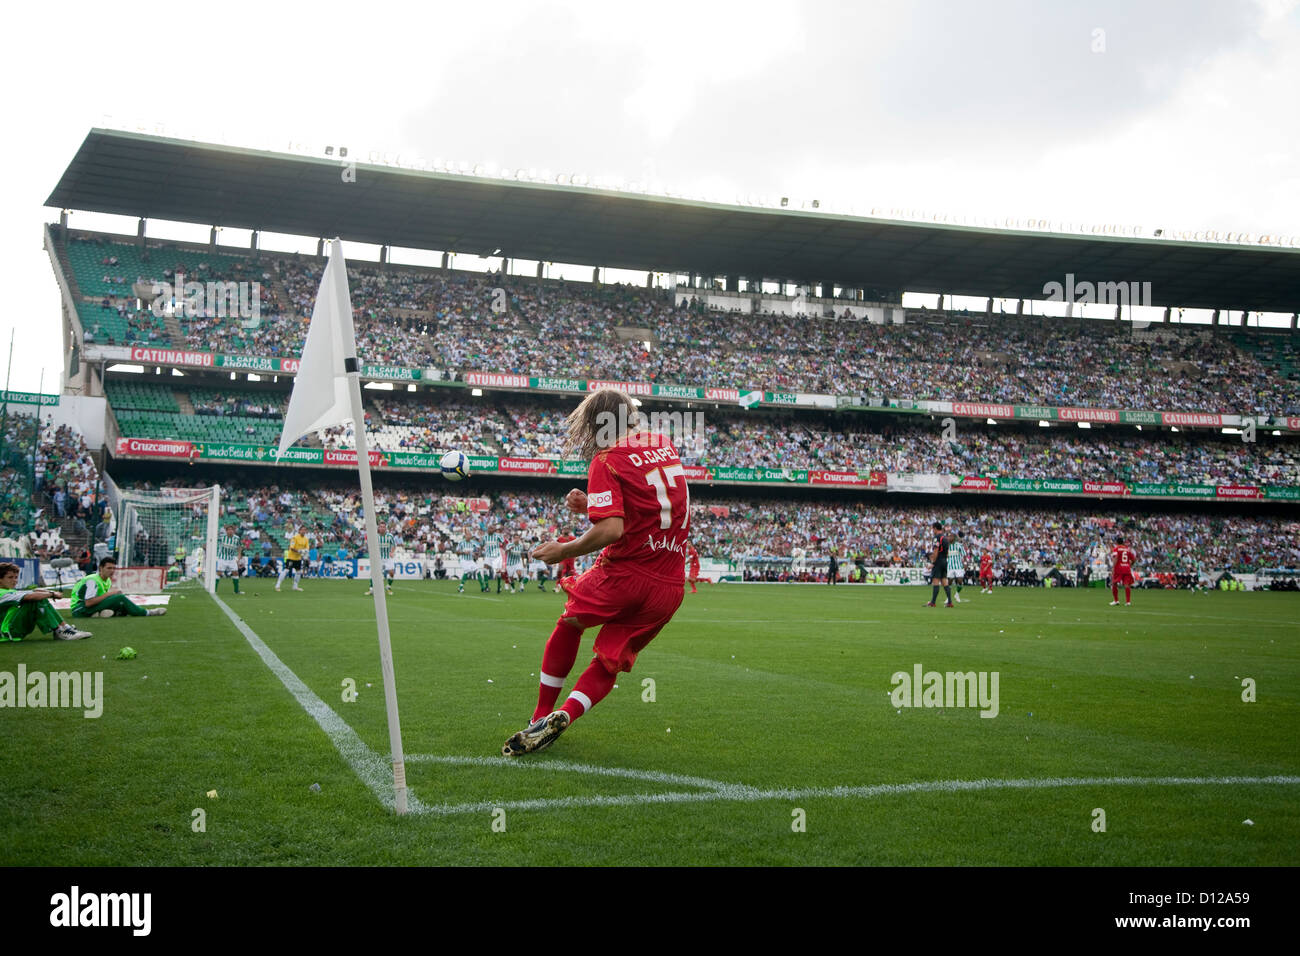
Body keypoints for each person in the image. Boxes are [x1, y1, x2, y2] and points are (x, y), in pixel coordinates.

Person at [503, 389, 689, 756]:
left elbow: (611, 531)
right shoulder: (663, 444)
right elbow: (649, 504)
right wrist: (593, 504)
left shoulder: (607, 459)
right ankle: (566, 715)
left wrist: (564, 550)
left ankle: (540, 715)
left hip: (626, 573)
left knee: (570, 624)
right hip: (669, 583)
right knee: (609, 658)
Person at [0, 562, 92, 642]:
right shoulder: (2, 593)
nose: (15, 581)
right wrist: (52, 594)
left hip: (11, 630)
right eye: (10, 577)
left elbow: (32, 591)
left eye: (16, 577)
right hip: (7, 633)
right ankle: (61, 630)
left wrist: (49, 593)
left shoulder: (7, 591)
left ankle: (64, 628)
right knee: (36, 599)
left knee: (38, 597)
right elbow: (31, 595)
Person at [71, 557, 167, 618]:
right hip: (79, 609)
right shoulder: (93, 580)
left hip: (87, 608)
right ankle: (147, 612)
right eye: (109, 568)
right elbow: (88, 603)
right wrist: (109, 594)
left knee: (119, 602)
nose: (112, 571)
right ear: (101, 568)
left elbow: (100, 599)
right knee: (119, 598)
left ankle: (98, 614)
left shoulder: (107, 580)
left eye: (113, 568)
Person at [925, 522, 953, 608]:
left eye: (932, 529)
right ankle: (950, 602)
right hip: (945, 561)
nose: (932, 531)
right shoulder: (945, 538)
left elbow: (936, 551)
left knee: (936, 581)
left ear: (935, 528)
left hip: (939, 561)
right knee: (944, 581)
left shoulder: (937, 538)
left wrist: (933, 563)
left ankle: (933, 602)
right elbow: (947, 552)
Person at [277, 526, 309, 592]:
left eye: (305, 530)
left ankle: (295, 586)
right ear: (299, 531)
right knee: (286, 570)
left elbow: (307, 548)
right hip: (291, 558)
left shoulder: (306, 539)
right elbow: (291, 548)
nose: (303, 531)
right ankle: (278, 585)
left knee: (298, 572)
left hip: (298, 558)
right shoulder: (295, 538)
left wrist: (305, 553)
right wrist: (299, 551)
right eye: (302, 530)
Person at [1110, 537, 1138, 606]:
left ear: (1117, 542)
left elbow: (1115, 558)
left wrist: (1113, 567)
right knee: (1127, 585)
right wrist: (1130, 565)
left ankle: (1116, 601)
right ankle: (1128, 602)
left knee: (1114, 583)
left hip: (1118, 568)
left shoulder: (1116, 548)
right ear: (1123, 542)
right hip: (1126, 568)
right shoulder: (1127, 549)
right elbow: (1134, 559)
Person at [367, 531, 396, 595]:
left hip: (388, 557)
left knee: (392, 573)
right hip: (379, 558)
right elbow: (371, 545)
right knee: (374, 572)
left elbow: (394, 545)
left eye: (383, 527)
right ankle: (371, 589)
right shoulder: (376, 536)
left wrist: (392, 552)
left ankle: (388, 587)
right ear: (379, 528)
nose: (382, 528)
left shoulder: (390, 536)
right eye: (381, 527)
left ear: (385, 528)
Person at [948, 532, 967, 603]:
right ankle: (948, 597)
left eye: (951, 536)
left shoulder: (959, 545)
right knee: (949, 582)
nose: (949, 538)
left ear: (954, 538)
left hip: (958, 566)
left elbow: (964, 555)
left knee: (960, 581)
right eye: (949, 536)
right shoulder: (946, 545)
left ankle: (957, 594)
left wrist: (965, 563)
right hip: (950, 566)